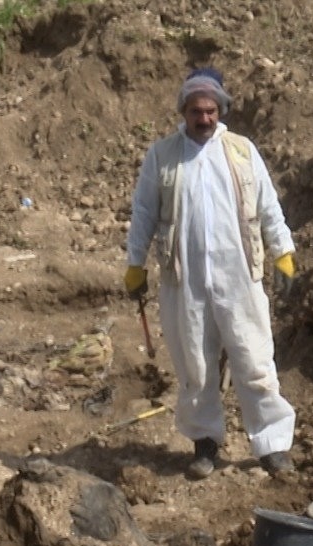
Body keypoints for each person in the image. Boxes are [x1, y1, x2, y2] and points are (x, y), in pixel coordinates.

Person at [123, 67, 299, 480]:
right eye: (196, 111)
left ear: (221, 109)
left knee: (254, 362)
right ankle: (205, 445)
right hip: (184, 283)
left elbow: (268, 205)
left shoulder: (241, 150)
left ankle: (272, 446)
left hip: (240, 278)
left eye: (211, 111)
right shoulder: (162, 155)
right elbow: (144, 213)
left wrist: (283, 251)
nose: (204, 119)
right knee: (195, 368)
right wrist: (135, 264)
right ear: (183, 111)